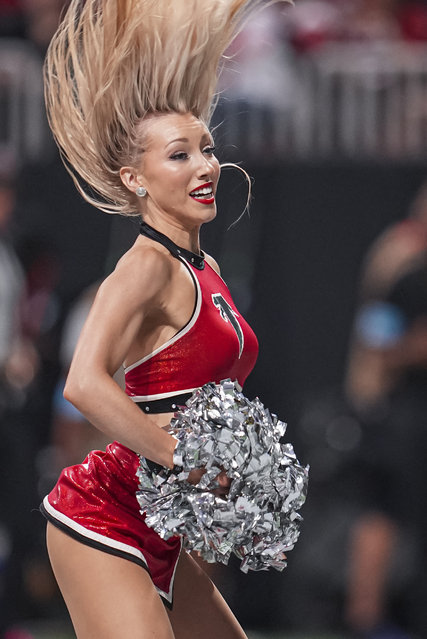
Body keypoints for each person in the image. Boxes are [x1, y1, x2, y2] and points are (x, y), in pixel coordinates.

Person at [39, 1, 290, 637]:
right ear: (136, 178)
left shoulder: (201, 266)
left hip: (164, 529)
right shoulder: (145, 267)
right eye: (179, 156)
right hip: (106, 514)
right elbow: (83, 383)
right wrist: (180, 457)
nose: (206, 167)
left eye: (206, 149)